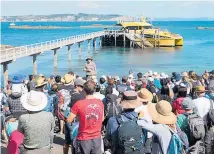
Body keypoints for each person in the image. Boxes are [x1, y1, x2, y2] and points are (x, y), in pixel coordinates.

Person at [66, 80, 104, 154]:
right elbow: (101, 119)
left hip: (83, 138)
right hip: (97, 137)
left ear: (84, 90)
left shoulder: (79, 104)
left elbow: (69, 120)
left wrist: (80, 117)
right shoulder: (100, 102)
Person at [63, 78, 86, 154]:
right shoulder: (78, 97)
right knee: (74, 143)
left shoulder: (69, 93)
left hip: (67, 118)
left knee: (66, 142)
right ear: (76, 86)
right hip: (74, 121)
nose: (82, 89)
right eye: (81, 87)